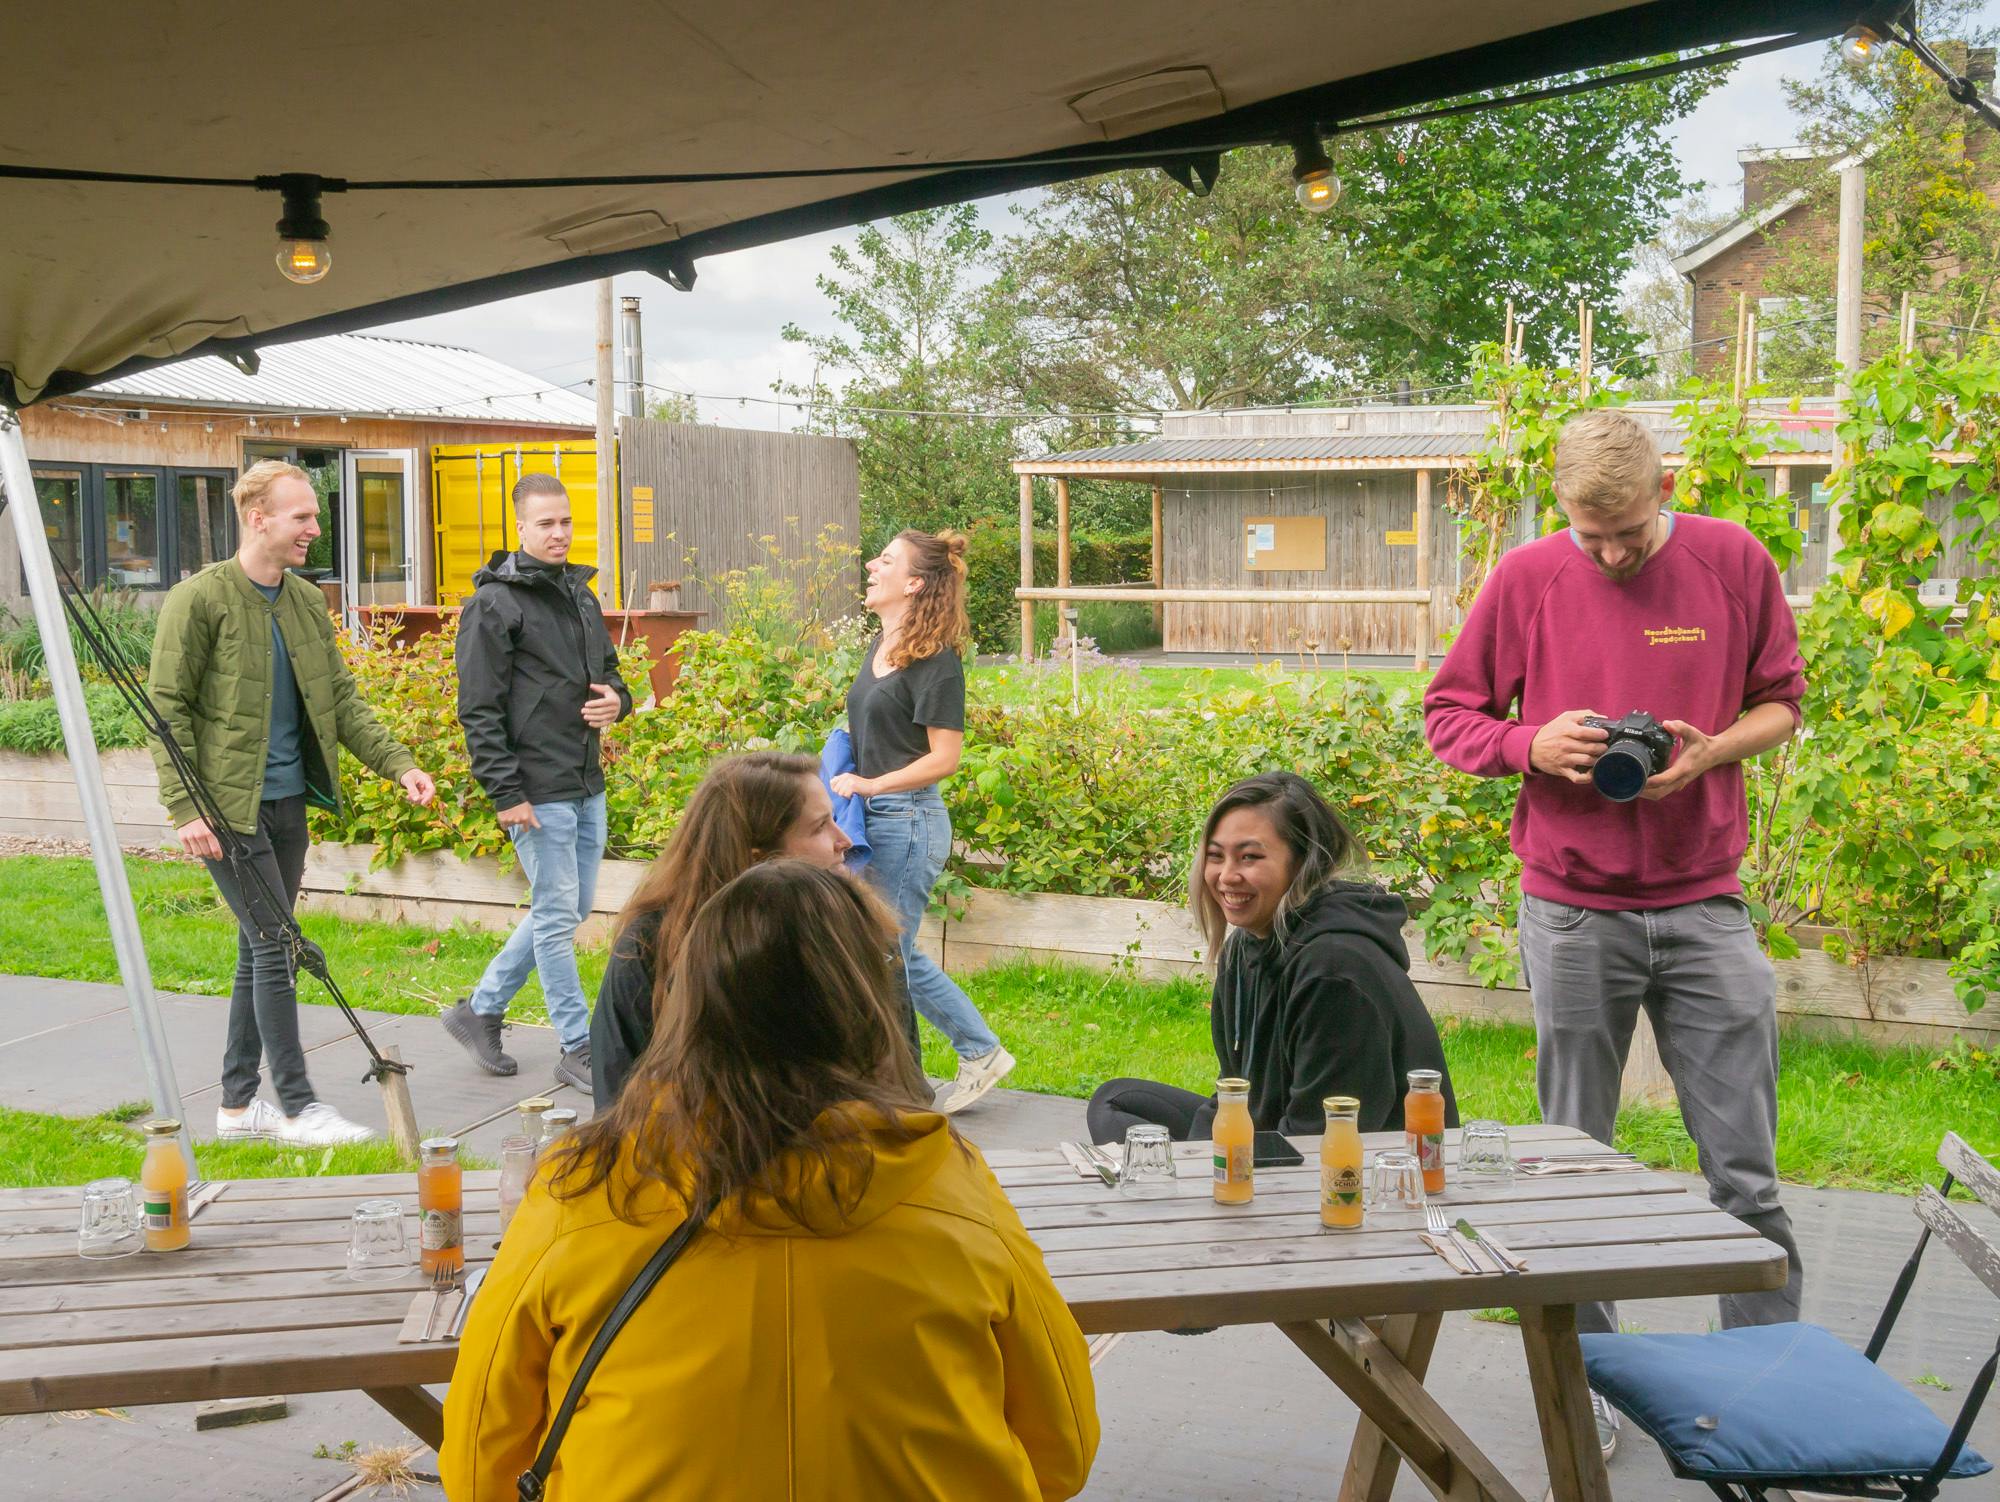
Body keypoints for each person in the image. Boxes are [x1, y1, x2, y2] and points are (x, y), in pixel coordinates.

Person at [442, 860, 1099, 1502]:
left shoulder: (578, 1190)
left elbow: (477, 1469)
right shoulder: (953, 1183)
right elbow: (1063, 1452)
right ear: (869, 1006)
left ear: (685, 1002)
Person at [1424, 407, 1807, 1461]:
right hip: (1570, 904)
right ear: (1561, 512)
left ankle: (1765, 1377)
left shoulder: (1732, 559)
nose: (1607, 553)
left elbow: (1782, 699)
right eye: (1588, 535)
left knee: (1745, 1169)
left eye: (1627, 532)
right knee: (1572, 1162)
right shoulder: (1525, 574)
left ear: (1663, 488)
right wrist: (1526, 741)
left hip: (1701, 903)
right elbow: (1446, 712)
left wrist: (1711, 749)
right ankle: (1585, 1377)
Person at [148, 459, 436, 1147]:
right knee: (278, 945)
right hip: (227, 810)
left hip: (286, 804)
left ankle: (237, 1105)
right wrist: (186, 808)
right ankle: (302, 1108)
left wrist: (400, 765)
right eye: (302, 515)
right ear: (258, 518)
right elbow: (167, 710)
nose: (315, 527)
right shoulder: (200, 599)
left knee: (259, 949)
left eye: (313, 514)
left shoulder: (306, 601)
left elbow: (339, 700)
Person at [1088, 771, 1456, 1147]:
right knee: (1114, 1103)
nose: (1227, 876)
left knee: (1142, 1151)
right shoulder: (1243, 950)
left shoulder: (1334, 972)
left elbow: (1318, 1142)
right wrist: (1198, 1157)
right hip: (1275, 1134)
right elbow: (1233, 1095)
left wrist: (1200, 1168)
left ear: (1303, 863)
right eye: (1216, 856)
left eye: (1250, 857)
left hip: (1360, 1171)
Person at [442, 472, 632, 1095]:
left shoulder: (580, 596)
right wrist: (505, 793)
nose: (559, 533)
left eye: (567, 521)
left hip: (585, 778)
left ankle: (481, 1009)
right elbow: (479, 709)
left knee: (569, 908)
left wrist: (617, 704)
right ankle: (577, 1045)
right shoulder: (494, 605)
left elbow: (610, 676)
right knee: (555, 916)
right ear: (520, 527)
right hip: (536, 786)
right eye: (546, 523)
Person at [828, 529, 1014, 1114]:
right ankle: (885, 1069)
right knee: (877, 949)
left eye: (885, 561)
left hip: (906, 821)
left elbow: (945, 758)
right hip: (871, 819)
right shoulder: (883, 649)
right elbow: (870, 734)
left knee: (891, 952)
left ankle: (979, 1052)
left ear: (913, 583)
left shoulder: (936, 661)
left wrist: (872, 783)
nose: (870, 566)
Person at [590, 751, 854, 1109]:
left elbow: (898, 1090)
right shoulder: (650, 944)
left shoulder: (853, 934)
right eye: (820, 827)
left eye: (834, 820)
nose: (845, 840)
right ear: (758, 860)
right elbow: (618, 1103)